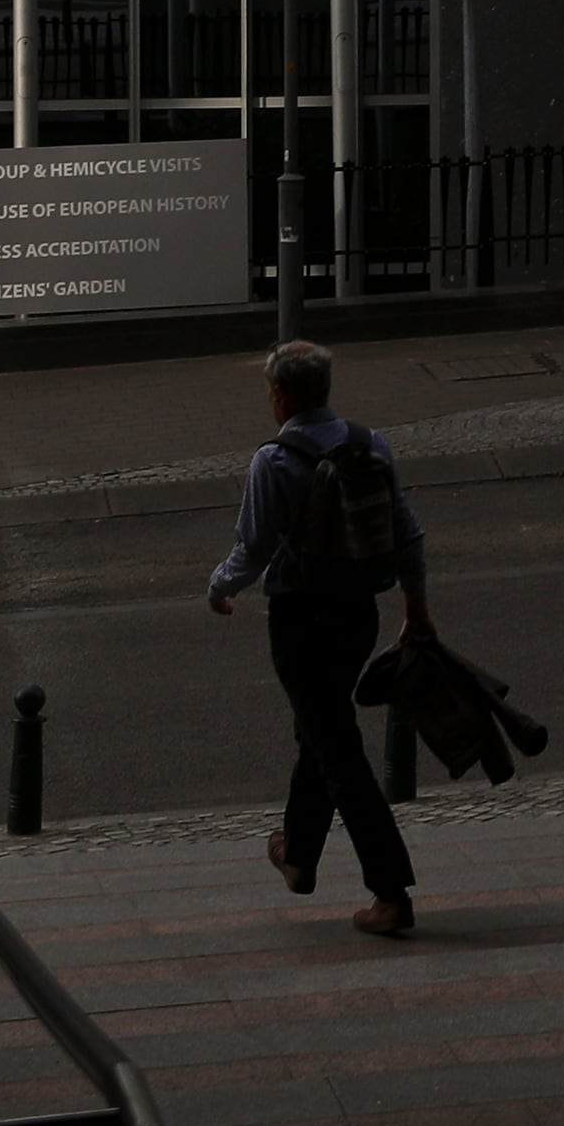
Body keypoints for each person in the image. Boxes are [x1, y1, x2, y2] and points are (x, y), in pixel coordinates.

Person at [205, 338, 430, 935]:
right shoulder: (369, 443)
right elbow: (407, 533)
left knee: (337, 748)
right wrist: (417, 606)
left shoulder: (273, 460)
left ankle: (391, 892)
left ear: (279, 396)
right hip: (359, 614)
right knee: (322, 730)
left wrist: (219, 586)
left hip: (301, 620)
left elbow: (253, 549)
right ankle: (298, 855)